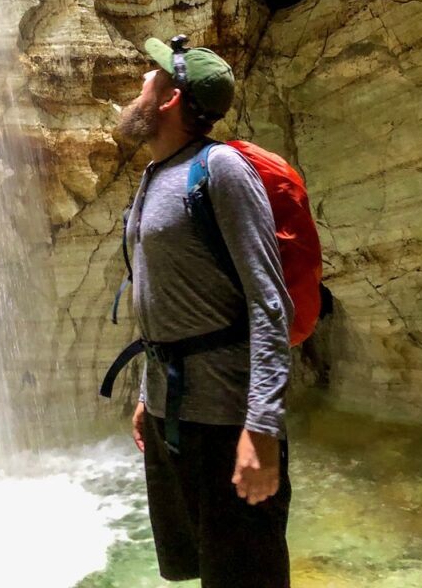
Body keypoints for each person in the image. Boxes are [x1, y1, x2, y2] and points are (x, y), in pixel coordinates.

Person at [114, 34, 293, 588]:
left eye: (151, 77)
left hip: (226, 419)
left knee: (247, 576)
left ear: (169, 98)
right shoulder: (154, 176)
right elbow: (164, 306)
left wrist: (261, 427)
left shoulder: (220, 170)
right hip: (174, 414)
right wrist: (149, 396)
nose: (141, 84)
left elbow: (270, 303)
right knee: (205, 569)